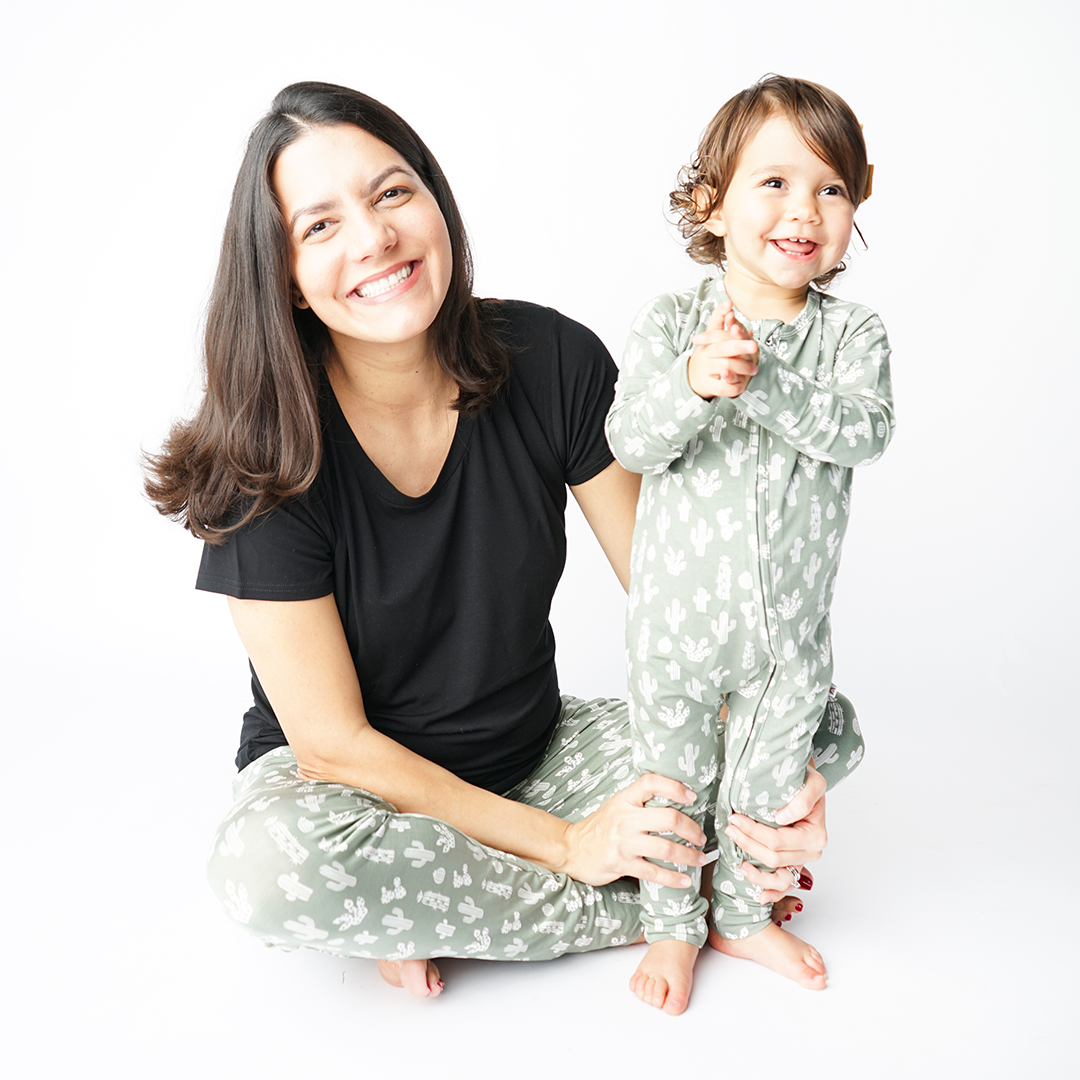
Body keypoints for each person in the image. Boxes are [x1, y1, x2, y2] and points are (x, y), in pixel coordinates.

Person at [145, 80, 864, 1003]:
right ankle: (684, 894)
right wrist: (574, 845)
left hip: (541, 754)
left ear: (437, 203)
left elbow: (678, 589)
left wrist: (762, 750)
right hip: (356, 796)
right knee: (265, 869)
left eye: (392, 193)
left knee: (812, 719)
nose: (373, 239)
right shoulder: (262, 448)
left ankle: (441, 906)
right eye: (319, 227)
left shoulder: (551, 359)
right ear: (284, 271)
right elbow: (333, 747)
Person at [605, 75, 894, 1013]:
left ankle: (742, 913)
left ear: (860, 195)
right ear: (710, 204)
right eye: (773, 183)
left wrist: (764, 380)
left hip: (787, 641)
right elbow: (631, 440)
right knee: (673, 785)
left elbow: (864, 432)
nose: (803, 210)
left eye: (831, 188)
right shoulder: (672, 325)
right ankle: (670, 927)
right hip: (675, 631)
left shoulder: (851, 335)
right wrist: (697, 381)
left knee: (769, 792)